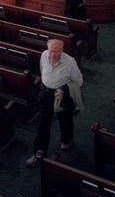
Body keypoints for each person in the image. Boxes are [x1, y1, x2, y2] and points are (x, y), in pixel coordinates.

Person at [25, 39, 84, 168]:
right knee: (43, 123)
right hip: (45, 93)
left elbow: (79, 81)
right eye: (51, 51)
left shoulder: (70, 62)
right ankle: (39, 152)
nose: (52, 55)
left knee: (65, 119)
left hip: (61, 94)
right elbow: (42, 70)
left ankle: (66, 140)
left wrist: (65, 90)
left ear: (62, 51)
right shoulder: (44, 55)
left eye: (56, 52)